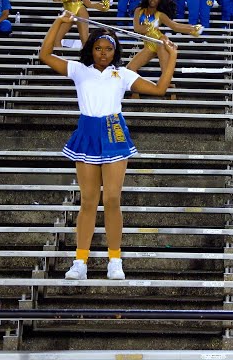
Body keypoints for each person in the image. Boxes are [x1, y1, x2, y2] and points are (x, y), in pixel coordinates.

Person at [40, 16, 177, 282]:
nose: (103, 53)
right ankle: (80, 261)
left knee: (112, 198)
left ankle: (115, 259)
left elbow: (160, 89)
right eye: (99, 48)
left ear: (116, 52)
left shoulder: (122, 74)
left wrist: (171, 56)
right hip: (88, 131)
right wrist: (59, 23)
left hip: (114, 131)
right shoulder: (79, 69)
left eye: (109, 49)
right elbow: (44, 54)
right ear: (91, 48)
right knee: (89, 201)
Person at [127, 0, 200, 75]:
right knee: (130, 69)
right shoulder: (138, 11)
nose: (152, 0)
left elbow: (175, 26)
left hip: (160, 42)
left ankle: (168, 86)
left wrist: (192, 29)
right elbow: (137, 29)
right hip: (149, 44)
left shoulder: (160, 15)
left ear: (160, 1)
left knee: (166, 74)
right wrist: (151, 27)